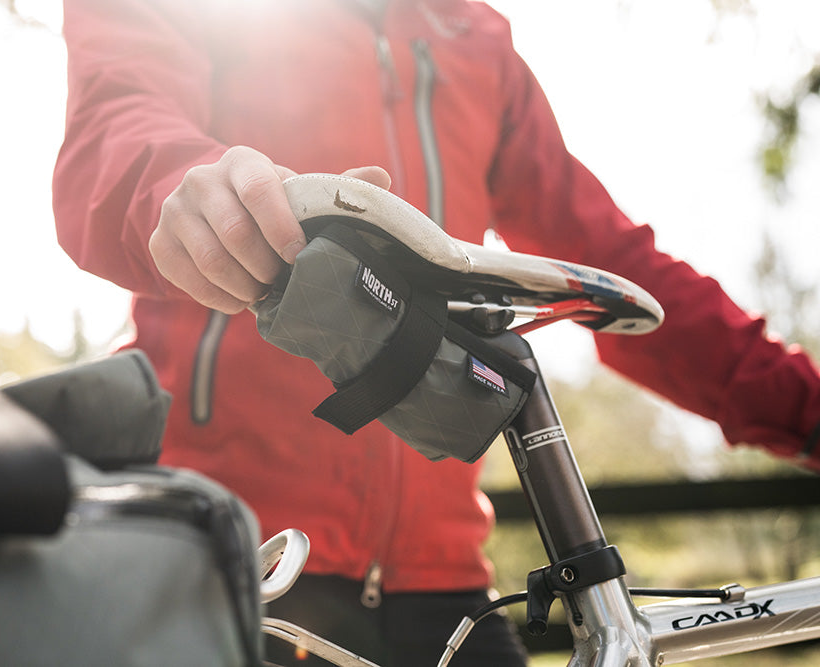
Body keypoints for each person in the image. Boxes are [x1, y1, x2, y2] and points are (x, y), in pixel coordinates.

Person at [52, 1, 820, 664]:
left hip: (445, 579)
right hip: (231, 553)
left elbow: (611, 261)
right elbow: (113, 131)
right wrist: (189, 190)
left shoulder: (473, 36)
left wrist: (809, 414)